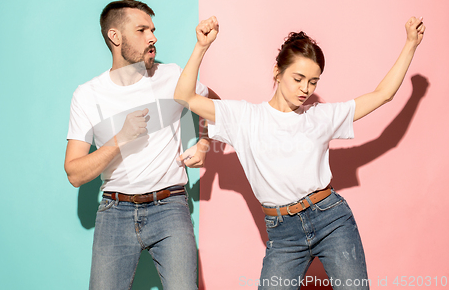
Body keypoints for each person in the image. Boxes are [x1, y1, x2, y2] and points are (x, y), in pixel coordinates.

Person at [174, 16, 425, 289]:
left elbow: (382, 94)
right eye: (298, 78)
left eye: (314, 82)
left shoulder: (321, 116)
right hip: (283, 235)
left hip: (331, 219)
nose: (305, 89)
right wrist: (201, 46)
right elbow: (185, 96)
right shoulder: (245, 117)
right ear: (277, 73)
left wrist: (411, 44)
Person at [64, 0, 218, 290]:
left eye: (153, 29)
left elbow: (215, 106)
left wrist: (205, 143)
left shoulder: (171, 76)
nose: (153, 37)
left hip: (170, 207)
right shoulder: (87, 95)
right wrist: (121, 139)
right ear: (115, 37)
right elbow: (75, 174)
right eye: (142, 30)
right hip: (115, 212)